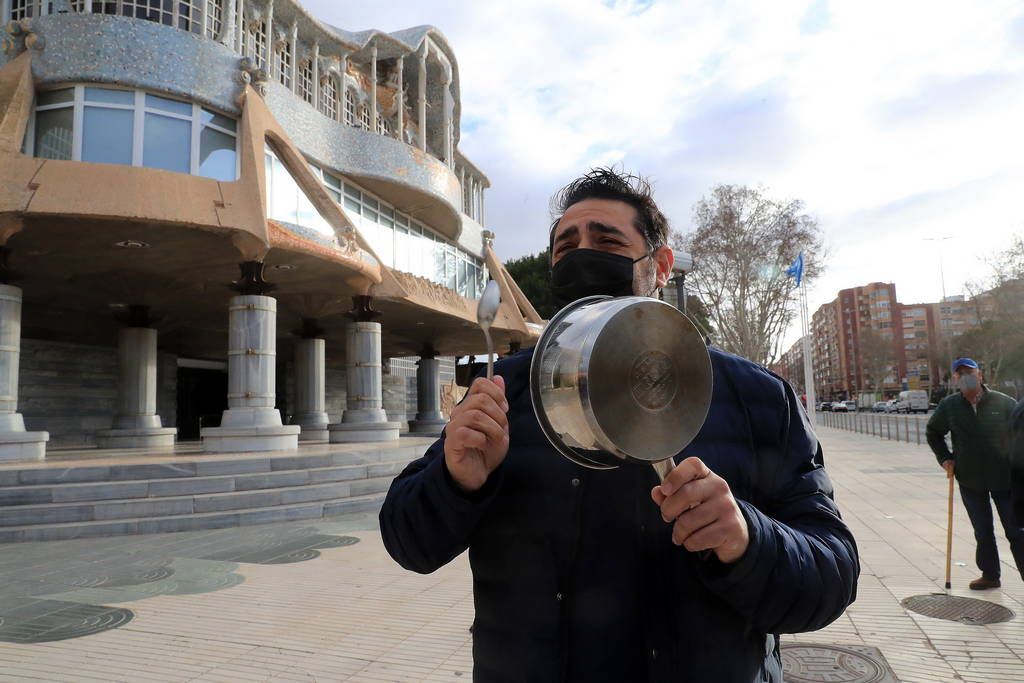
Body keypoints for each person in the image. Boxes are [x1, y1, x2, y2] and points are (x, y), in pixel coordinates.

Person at [380, 168, 859, 682]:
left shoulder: (755, 398)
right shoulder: (503, 392)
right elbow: (409, 543)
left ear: (661, 264)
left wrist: (746, 538)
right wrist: (456, 482)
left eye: (607, 240)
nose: (582, 253)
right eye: (566, 245)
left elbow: (832, 573)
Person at [926, 358, 1023, 589]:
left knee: (1016, 531)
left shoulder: (1004, 403)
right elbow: (933, 432)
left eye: (970, 372)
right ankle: (990, 575)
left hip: (1006, 479)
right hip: (970, 479)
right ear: (956, 380)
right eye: (961, 375)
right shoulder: (949, 406)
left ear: (980, 375)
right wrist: (945, 458)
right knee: (983, 530)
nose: (966, 377)